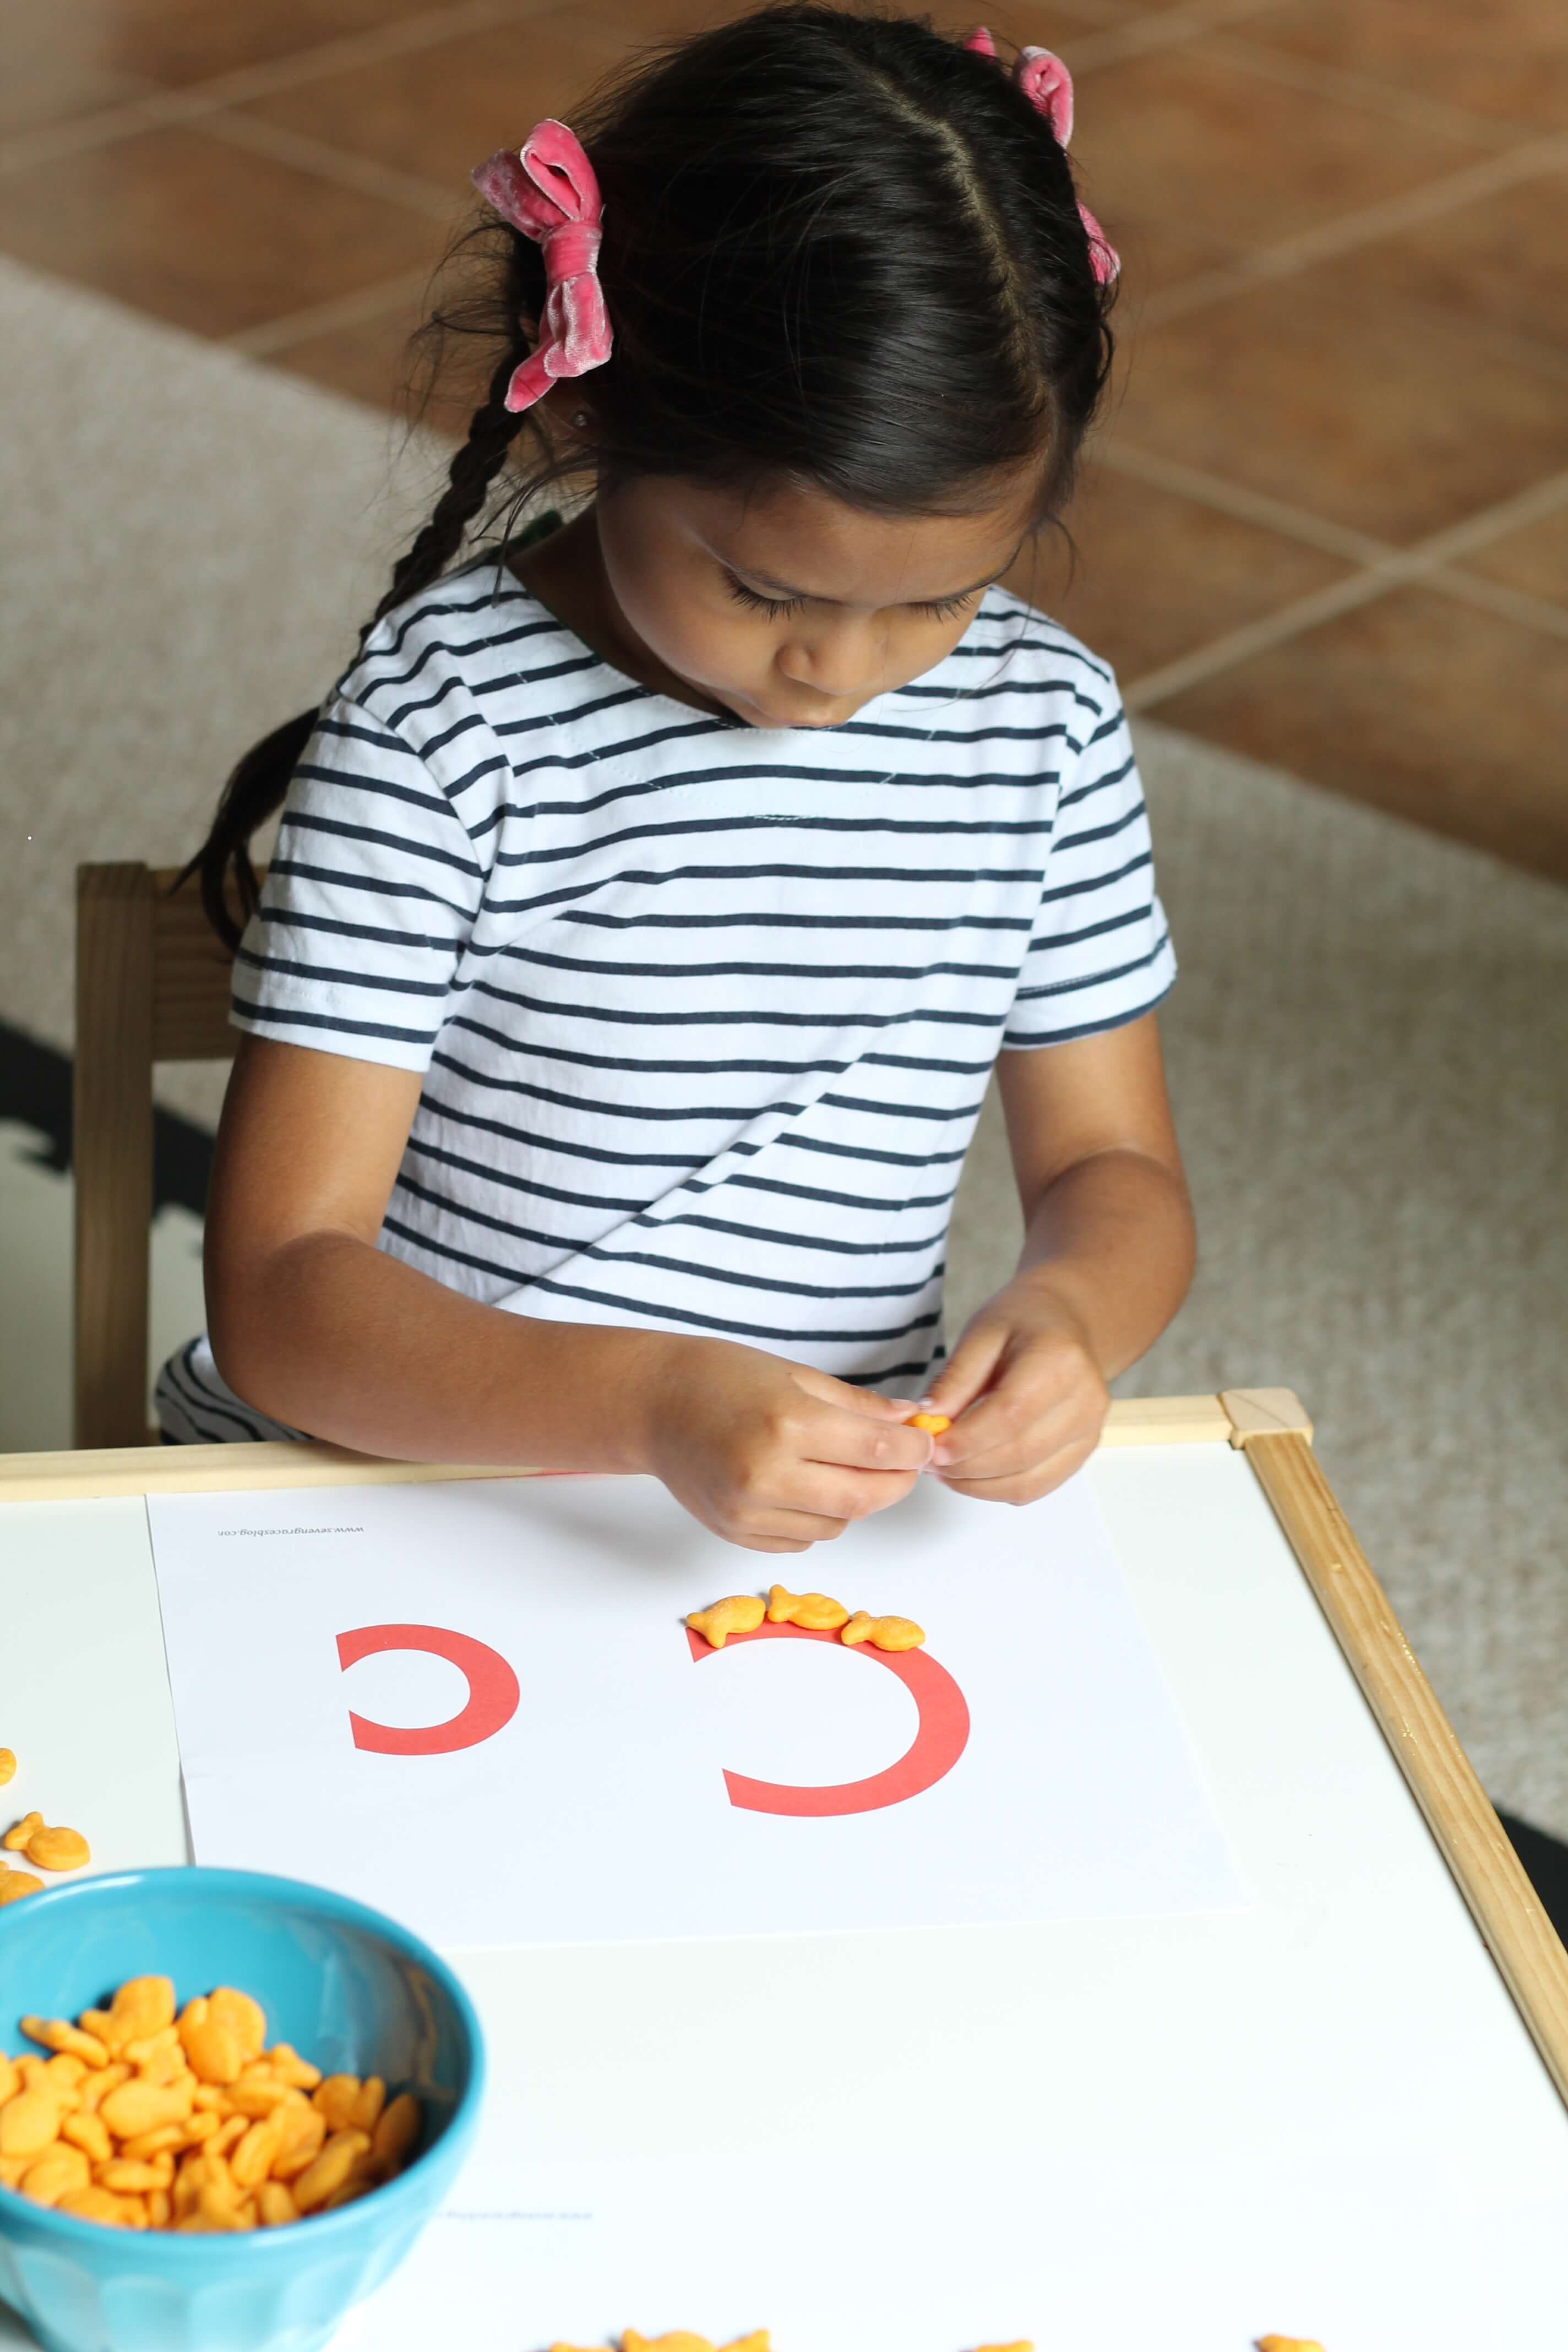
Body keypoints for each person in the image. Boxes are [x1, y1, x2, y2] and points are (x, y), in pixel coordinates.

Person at [160, 2, 1195, 1554]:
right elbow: (283, 1300)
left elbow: (1117, 1168)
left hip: (816, 1512)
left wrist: (1069, 1313)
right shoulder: (453, 718)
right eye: (764, 592)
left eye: (937, 598)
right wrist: (649, 1402)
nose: (839, 674)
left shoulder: (1039, 725)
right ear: (586, 413)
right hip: (403, 1491)